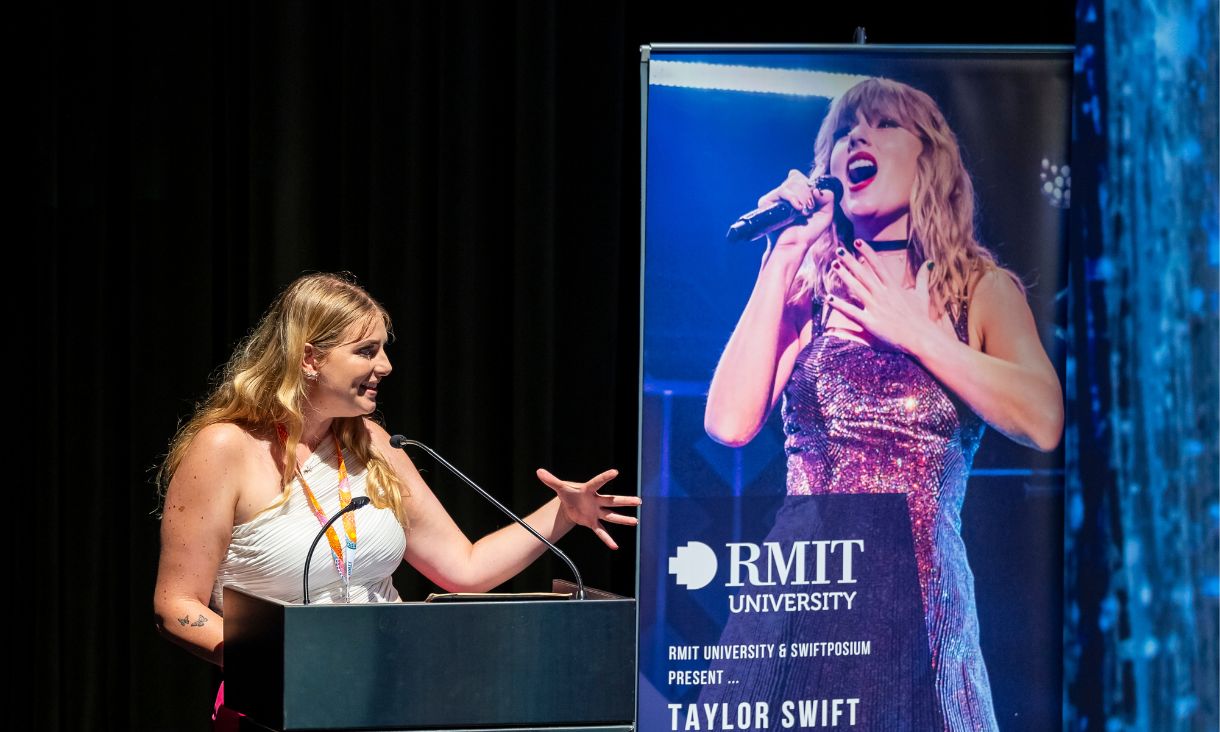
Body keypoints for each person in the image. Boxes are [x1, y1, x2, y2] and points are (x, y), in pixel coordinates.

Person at [702, 78, 1063, 729]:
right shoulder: (813, 287)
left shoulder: (977, 290)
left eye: (882, 125)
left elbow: (1043, 419)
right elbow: (728, 422)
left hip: (917, 606)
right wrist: (780, 262)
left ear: (931, 159)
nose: (856, 139)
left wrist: (919, 335)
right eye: (842, 133)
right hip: (801, 592)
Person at [153, 272, 640, 722]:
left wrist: (563, 512)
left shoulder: (376, 445)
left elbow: (465, 570)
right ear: (309, 357)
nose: (384, 366)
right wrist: (277, 665)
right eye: (366, 351)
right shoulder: (225, 448)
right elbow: (176, 604)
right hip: (275, 707)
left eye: (384, 350)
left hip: (386, 701)